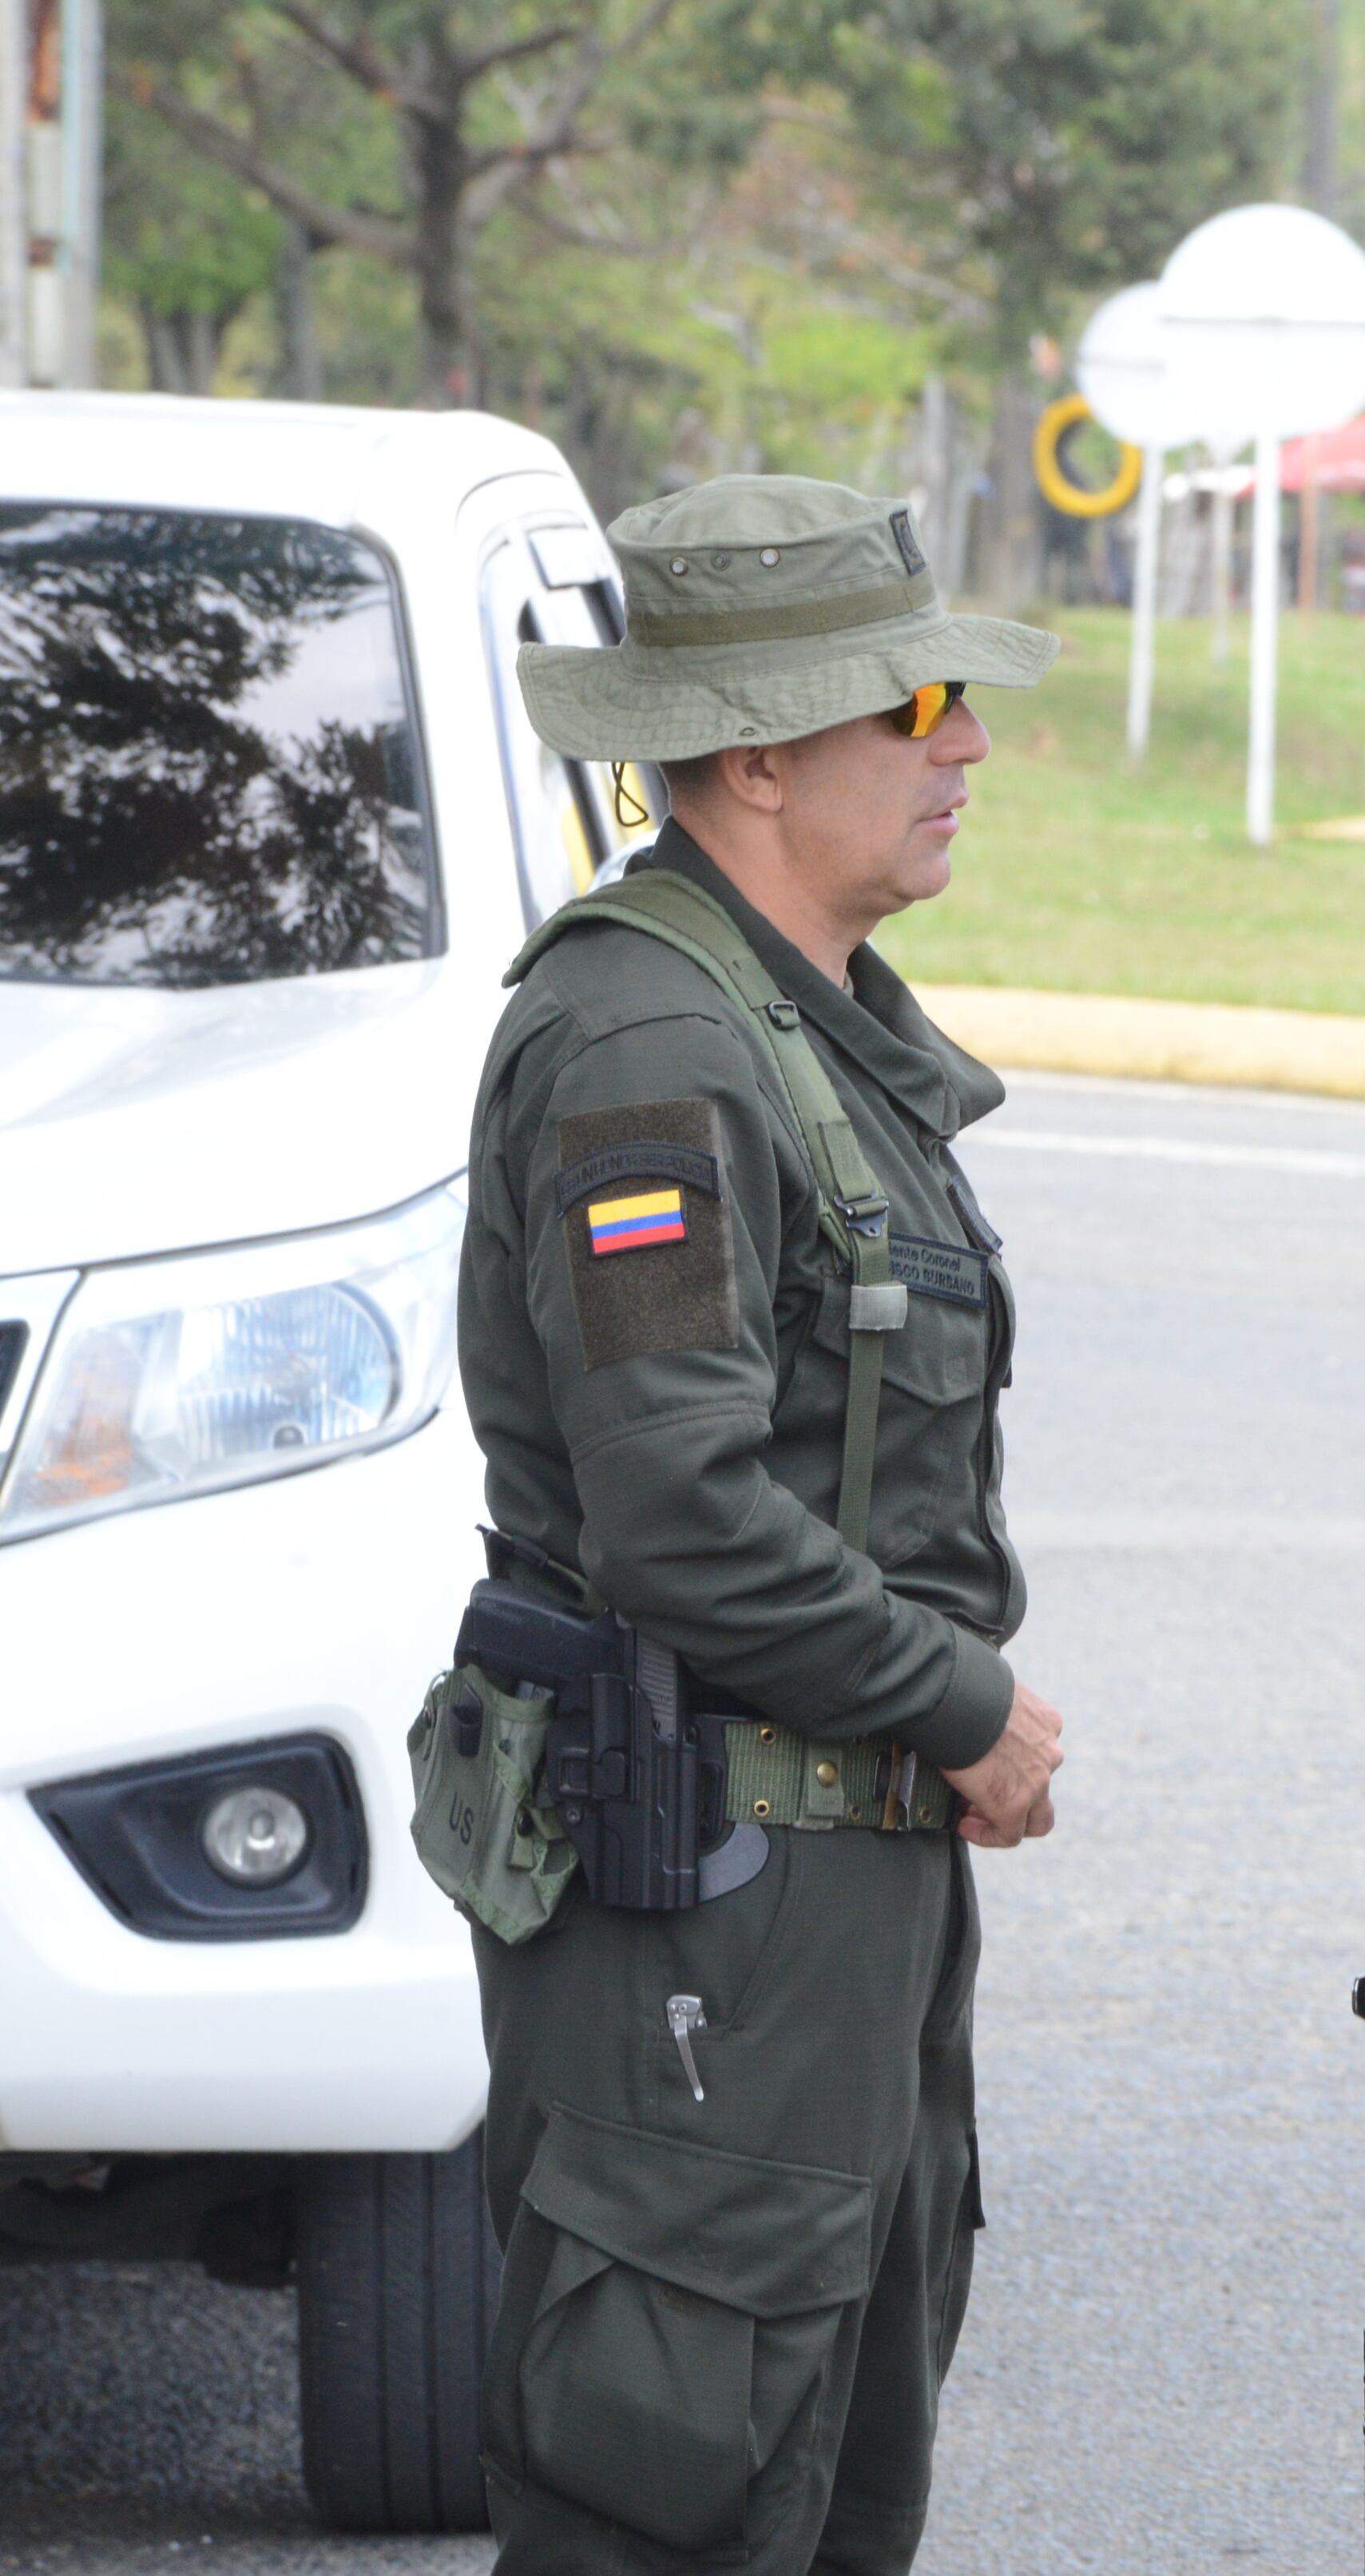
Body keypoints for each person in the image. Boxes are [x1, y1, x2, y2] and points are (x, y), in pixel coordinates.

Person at [462, 476, 1069, 2573]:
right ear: (757, 752)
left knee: (826, 2479)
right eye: (919, 706)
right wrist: (961, 1699)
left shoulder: (799, 1021)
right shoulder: (651, 1036)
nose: (968, 744)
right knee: (675, 2478)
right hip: (707, 1886)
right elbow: (677, 1515)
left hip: (823, 1880)